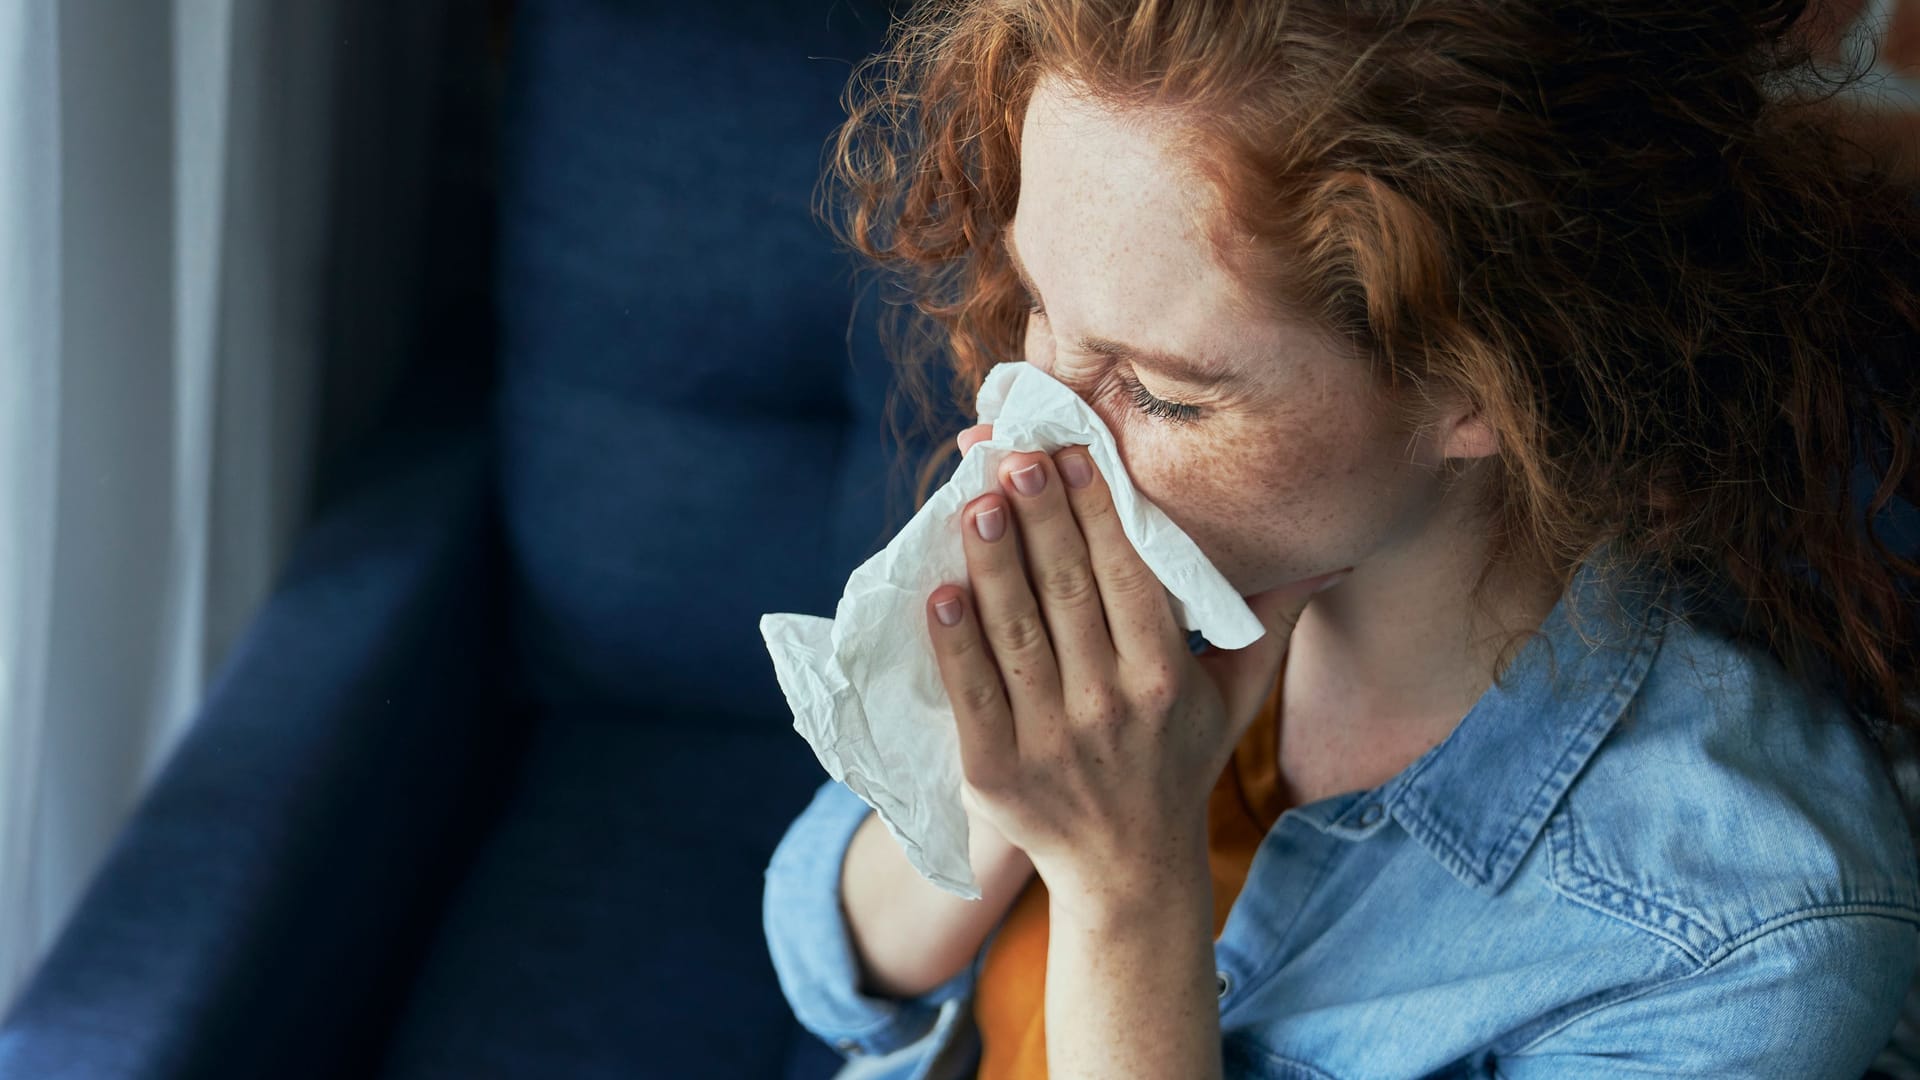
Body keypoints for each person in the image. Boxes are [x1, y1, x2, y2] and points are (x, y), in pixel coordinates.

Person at [762, 1, 1920, 1076]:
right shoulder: (1183, 550)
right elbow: (832, 965)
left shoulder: (1738, 944)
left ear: (1482, 384)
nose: (1023, 432)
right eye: (1039, 313)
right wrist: (1007, 791)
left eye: (1161, 393)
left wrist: (1126, 884)